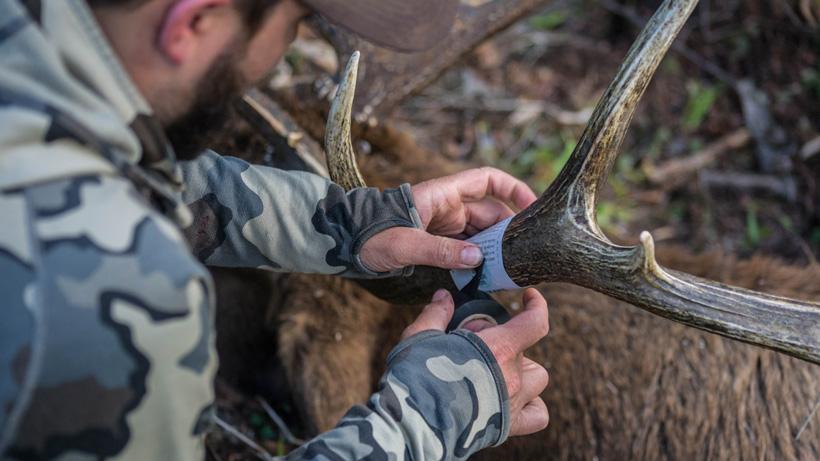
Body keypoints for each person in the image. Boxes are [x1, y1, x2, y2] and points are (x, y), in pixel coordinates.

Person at [0, 0, 551, 459]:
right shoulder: (118, 298)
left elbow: (118, 164)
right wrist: (429, 419)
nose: (280, 56)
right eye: (294, 25)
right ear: (194, 20)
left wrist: (350, 225)